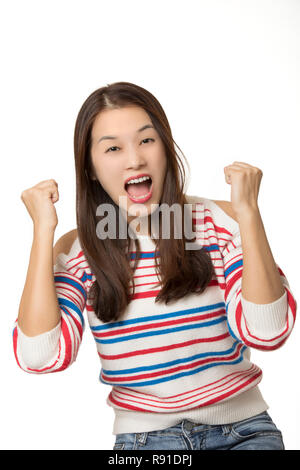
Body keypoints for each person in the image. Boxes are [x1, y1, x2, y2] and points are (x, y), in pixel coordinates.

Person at [13, 81, 297, 450]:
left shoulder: (217, 222)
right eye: (113, 148)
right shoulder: (78, 250)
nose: (134, 159)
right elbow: (40, 356)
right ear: (92, 169)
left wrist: (249, 215)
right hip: (144, 443)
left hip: (244, 432)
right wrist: (42, 233)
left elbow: (268, 331)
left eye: (146, 140)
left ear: (166, 148)